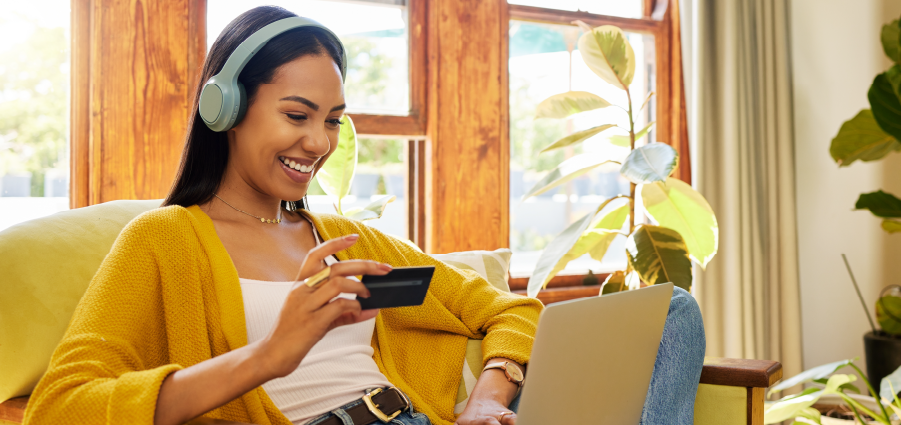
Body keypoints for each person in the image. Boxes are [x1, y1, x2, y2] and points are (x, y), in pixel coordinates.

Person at [22, 6, 705, 425]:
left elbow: (508, 309)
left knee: (671, 309)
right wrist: (267, 354)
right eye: (296, 115)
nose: (316, 143)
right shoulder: (163, 240)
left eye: (331, 121)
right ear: (222, 108)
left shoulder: (346, 242)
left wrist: (484, 396)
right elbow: (63, 406)